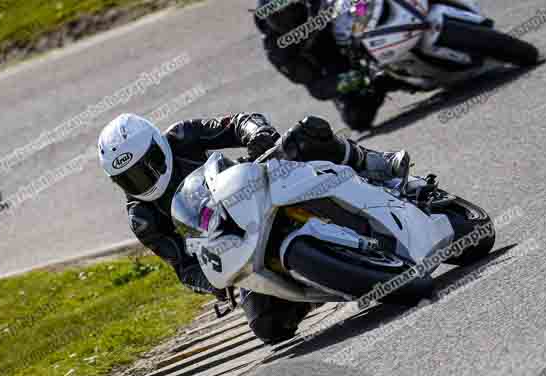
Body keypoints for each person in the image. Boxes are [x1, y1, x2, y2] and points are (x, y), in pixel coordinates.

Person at [98, 112, 409, 342]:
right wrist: (216, 282)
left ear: (158, 145)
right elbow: (184, 268)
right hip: (233, 246)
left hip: (252, 191)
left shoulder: (182, 136)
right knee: (269, 327)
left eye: (145, 166)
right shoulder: (142, 217)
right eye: (129, 178)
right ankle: (326, 279)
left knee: (305, 135)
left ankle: (377, 163)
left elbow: (239, 122)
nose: (144, 179)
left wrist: (256, 133)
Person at [254, 0, 395, 130]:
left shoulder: (316, 4)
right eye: (276, 17)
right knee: (357, 117)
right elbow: (315, 85)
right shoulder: (277, 48)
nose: (286, 18)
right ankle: (383, 78)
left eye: (289, 10)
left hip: (351, 29)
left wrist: (362, 10)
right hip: (335, 62)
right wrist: (348, 80)